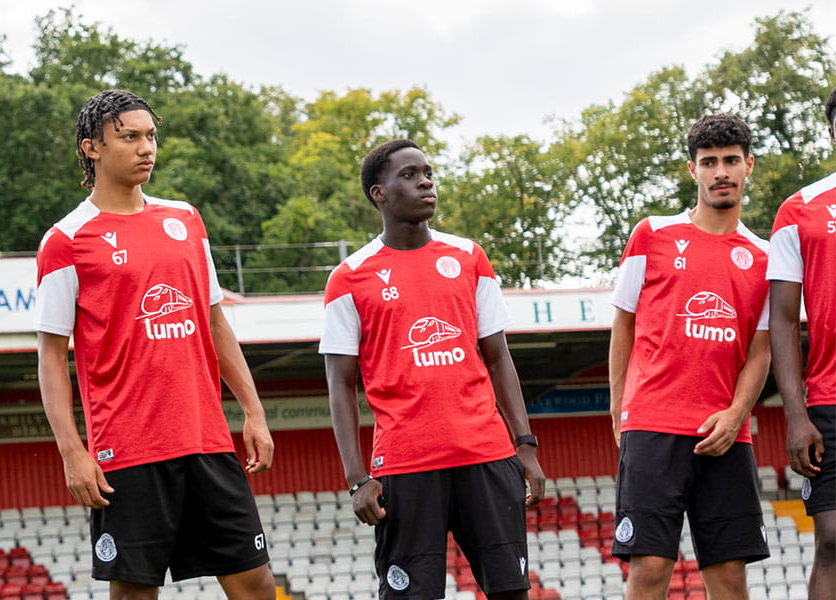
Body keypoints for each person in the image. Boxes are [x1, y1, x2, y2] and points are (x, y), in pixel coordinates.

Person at [32, 89, 278, 600]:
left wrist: (253, 411)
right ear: (91, 148)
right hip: (128, 452)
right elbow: (52, 356)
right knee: (134, 594)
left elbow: (214, 323)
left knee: (256, 584)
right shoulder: (66, 240)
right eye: (129, 137)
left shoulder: (185, 220)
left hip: (207, 439)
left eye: (151, 136)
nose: (147, 148)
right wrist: (72, 450)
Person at [321, 139, 546, 600]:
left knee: (512, 593)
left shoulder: (469, 257)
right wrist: (356, 478)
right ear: (378, 193)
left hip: (486, 456)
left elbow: (499, 357)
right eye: (409, 174)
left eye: (428, 172)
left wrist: (525, 445)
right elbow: (341, 385)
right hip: (405, 466)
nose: (425, 181)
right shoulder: (350, 276)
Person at [609, 113, 770, 600]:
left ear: (749, 166)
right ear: (692, 171)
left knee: (728, 576)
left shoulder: (764, 257)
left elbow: (760, 352)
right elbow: (623, 326)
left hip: (725, 431)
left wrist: (736, 414)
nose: (721, 171)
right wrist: (620, 411)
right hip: (654, 424)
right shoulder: (652, 234)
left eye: (730, 161)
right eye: (709, 162)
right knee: (651, 567)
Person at [767, 88, 836, 600]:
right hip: (829, 400)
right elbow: (783, 320)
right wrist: (796, 415)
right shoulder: (800, 210)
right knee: (833, 540)